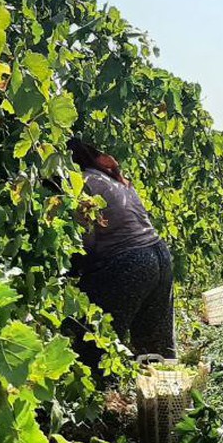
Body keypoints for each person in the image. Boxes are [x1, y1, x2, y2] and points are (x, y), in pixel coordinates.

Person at [68, 137, 176, 359]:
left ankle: (105, 392)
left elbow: (84, 245)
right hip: (160, 255)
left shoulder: (82, 183)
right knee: (155, 348)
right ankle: (171, 389)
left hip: (130, 262)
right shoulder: (111, 179)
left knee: (95, 344)